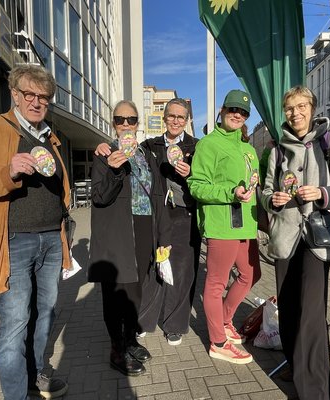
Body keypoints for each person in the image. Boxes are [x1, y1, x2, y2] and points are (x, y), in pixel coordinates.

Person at [0, 65, 70, 399]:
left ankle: (35, 377)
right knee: (15, 322)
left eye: (43, 97)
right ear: (14, 95)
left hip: (52, 239)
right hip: (14, 241)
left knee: (45, 314)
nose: (37, 102)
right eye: (29, 94)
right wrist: (8, 172)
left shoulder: (49, 136)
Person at [260, 85, 330, 399]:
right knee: (288, 309)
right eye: (290, 108)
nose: (296, 113)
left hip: (317, 237)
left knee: (310, 315)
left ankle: (314, 391)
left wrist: (322, 193)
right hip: (285, 239)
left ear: (312, 108)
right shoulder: (277, 151)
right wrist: (272, 200)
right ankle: (294, 363)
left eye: (301, 106)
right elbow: (265, 192)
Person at [94, 98, 200, 346]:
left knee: (180, 273)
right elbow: (103, 191)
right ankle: (139, 324)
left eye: (181, 117)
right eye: (171, 116)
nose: (175, 121)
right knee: (150, 275)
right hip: (146, 219)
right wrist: (103, 148)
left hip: (181, 215)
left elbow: (204, 180)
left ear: (187, 120)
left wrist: (191, 174)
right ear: (164, 118)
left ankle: (173, 325)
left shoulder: (196, 146)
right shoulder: (148, 146)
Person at [88, 100, 171, 377]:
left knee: (136, 290)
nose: (126, 124)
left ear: (138, 123)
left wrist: (164, 235)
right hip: (118, 231)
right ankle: (117, 348)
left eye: (131, 119)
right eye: (120, 119)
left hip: (145, 228)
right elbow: (99, 197)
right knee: (116, 293)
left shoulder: (147, 155)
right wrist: (113, 170)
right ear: (113, 123)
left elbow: (158, 196)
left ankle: (130, 339)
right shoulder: (104, 154)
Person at [187, 89, 262, 364]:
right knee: (216, 284)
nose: (237, 115)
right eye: (233, 109)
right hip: (221, 224)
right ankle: (218, 342)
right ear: (222, 110)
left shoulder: (249, 149)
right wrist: (231, 192)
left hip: (246, 225)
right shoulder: (209, 144)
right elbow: (196, 186)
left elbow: (255, 185)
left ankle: (225, 319)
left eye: (243, 112)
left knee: (251, 274)